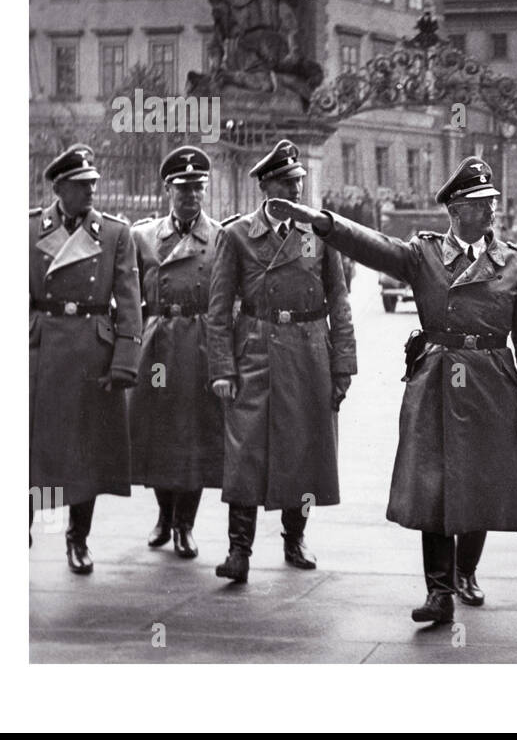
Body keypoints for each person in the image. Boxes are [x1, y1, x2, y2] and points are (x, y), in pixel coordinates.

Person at [272, 155, 517, 624]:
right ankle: (439, 593)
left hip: (490, 383)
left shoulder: (515, 264)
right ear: (455, 210)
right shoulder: (423, 257)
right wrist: (324, 223)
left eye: (493, 202)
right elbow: (374, 247)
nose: (492, 211)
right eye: (482, 204)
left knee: (480, 483)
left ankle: (466, 572)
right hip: (435, 383)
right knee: (434, 489)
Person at [206, 140, 356, 584]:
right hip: (255, 350)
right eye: (288, 183)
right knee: (245, 451)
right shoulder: (236, 236)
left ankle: (295, 538)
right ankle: (239, 551)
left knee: (306, 452)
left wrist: (343, 364)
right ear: (266, 188)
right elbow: (218, 309)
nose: (297, 191)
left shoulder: (320, 235)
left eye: (299, 183)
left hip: (310, 353)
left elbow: (340, 301)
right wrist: (221, 369)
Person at [30, 144, 142, 573]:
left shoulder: (115, 234)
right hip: (41, 348)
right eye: (81, 185)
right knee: (34, 447)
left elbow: (130, 302)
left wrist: (125, 361)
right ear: (59, 188)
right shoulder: (28, 229)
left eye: (93, 183)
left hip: (91, 351)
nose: (92, 190)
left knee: (84, 453)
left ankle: (77, 539)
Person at [128, 146, 225, 560]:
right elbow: (128, 296)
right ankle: (164, 516)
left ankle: (185, 525)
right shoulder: (143, 237)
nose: (192, 197)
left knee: (196, 435)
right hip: (158, 343)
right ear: (168, 189)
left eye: (198, 190)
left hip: (199, 342)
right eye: (184, 190)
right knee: (158, 431)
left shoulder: (220, 237)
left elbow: (227, 300)